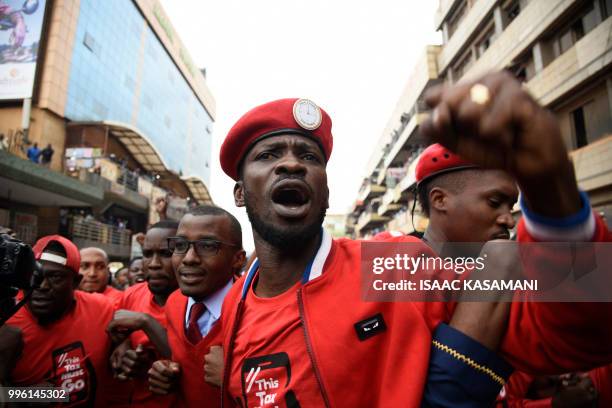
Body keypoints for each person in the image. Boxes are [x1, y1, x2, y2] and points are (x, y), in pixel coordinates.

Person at [215, 72, 612, 407]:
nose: (292, 163)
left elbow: (576, 339)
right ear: (239, 193)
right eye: (268, 155)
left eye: (309, 156)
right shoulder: (234, 304)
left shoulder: (393, 267)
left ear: (325, 188)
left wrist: (552, 191)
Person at [146, 205, 245, 407]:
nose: (189, 258)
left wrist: (235, 377)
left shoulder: (253, 310)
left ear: (238, 259)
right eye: (180, 245)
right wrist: (168, 373)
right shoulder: (174, 302)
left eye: (207, 246)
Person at [2, 235, 115, 406]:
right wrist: (29, 396)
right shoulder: (5, 320)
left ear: (76, 282)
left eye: (55, 277)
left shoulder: (101, 308)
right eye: (35, 275)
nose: (43, 286)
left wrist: (124, 344)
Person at [107, 220, 179, 407]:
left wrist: (145, 322)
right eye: (147, 254)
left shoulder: (199, 304)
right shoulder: (132, 294)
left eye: (165, 254)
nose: (154, 264)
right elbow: (120, 338)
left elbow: (193, 364)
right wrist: (124, 347)